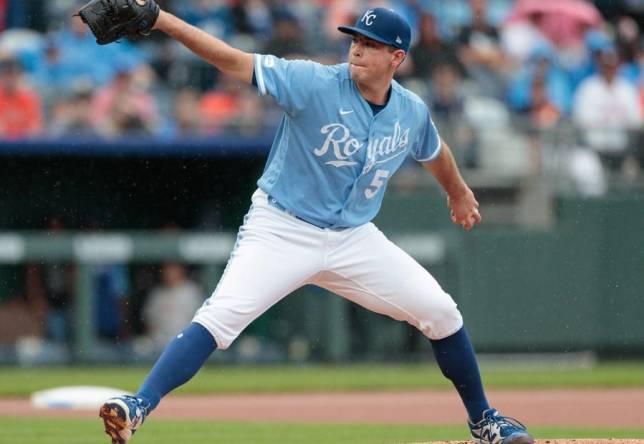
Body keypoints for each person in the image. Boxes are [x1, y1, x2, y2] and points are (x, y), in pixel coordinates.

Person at [89, 5, 534, 444]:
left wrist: (456, 191)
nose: (357, 50)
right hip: (282, 228)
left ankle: (484, 422)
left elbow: (434, 150)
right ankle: (138, 405)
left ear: (396, 58)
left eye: (370, 44)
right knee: (220, 318)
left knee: (441, 313)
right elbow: (232, 59)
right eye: (355, 40)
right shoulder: (313, 82)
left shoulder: (410, 110)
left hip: (354, 239)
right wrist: (161, 19)